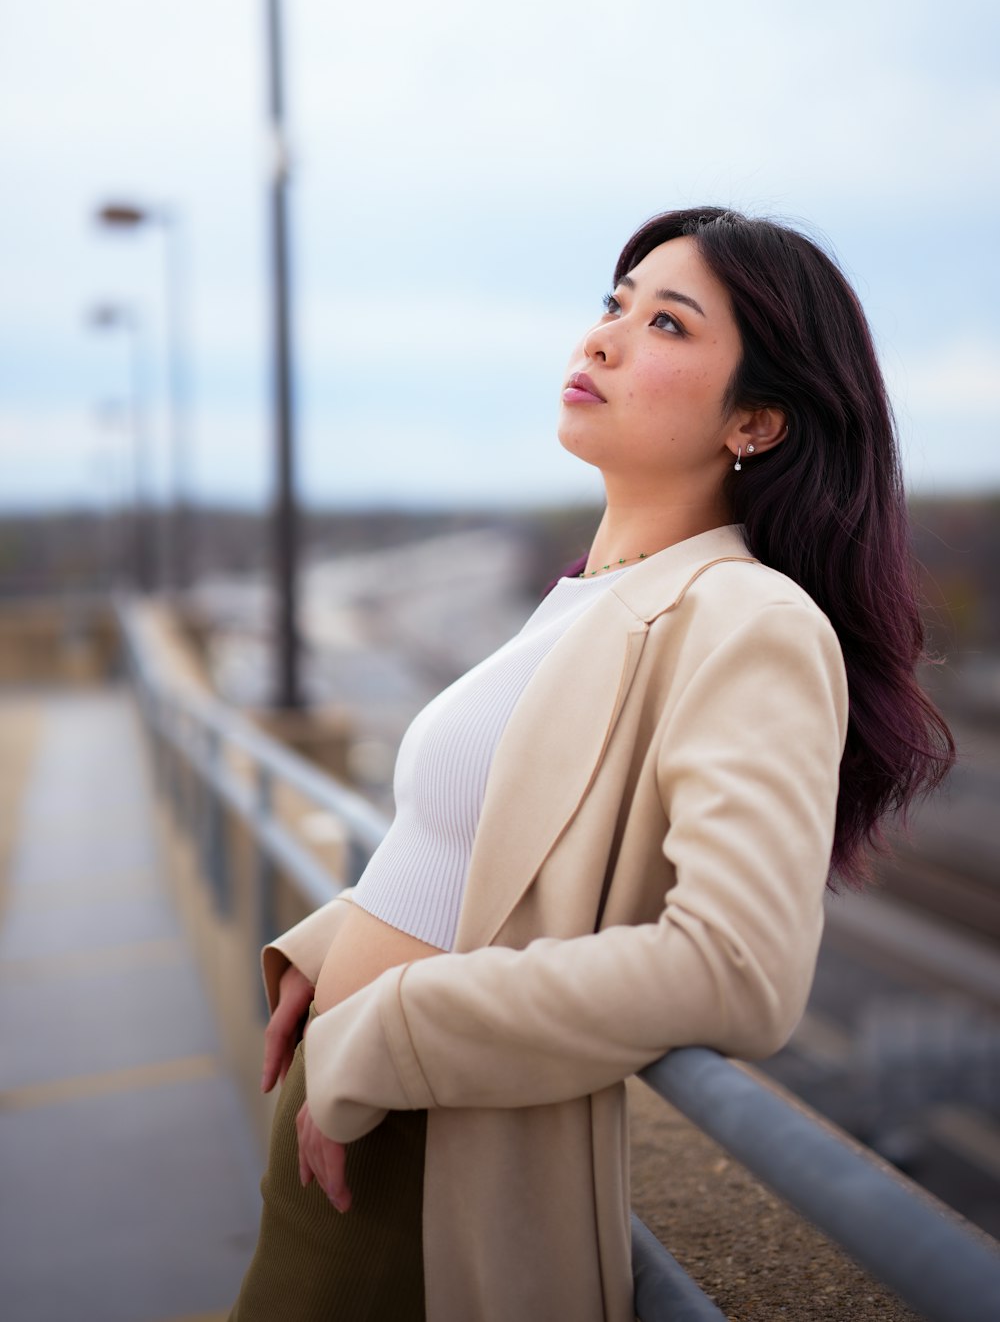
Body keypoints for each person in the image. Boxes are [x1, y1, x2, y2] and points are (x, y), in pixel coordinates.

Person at [227, 206, 954, 1322]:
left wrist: (389, 1029)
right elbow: (488, 855)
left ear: (755, 419)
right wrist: (335, 954)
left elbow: (737, 971)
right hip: (347, 1108)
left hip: (431, 1147)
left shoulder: (745, 617)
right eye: (613, 305)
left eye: (665, 323)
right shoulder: (587, 598)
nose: (602, 339)